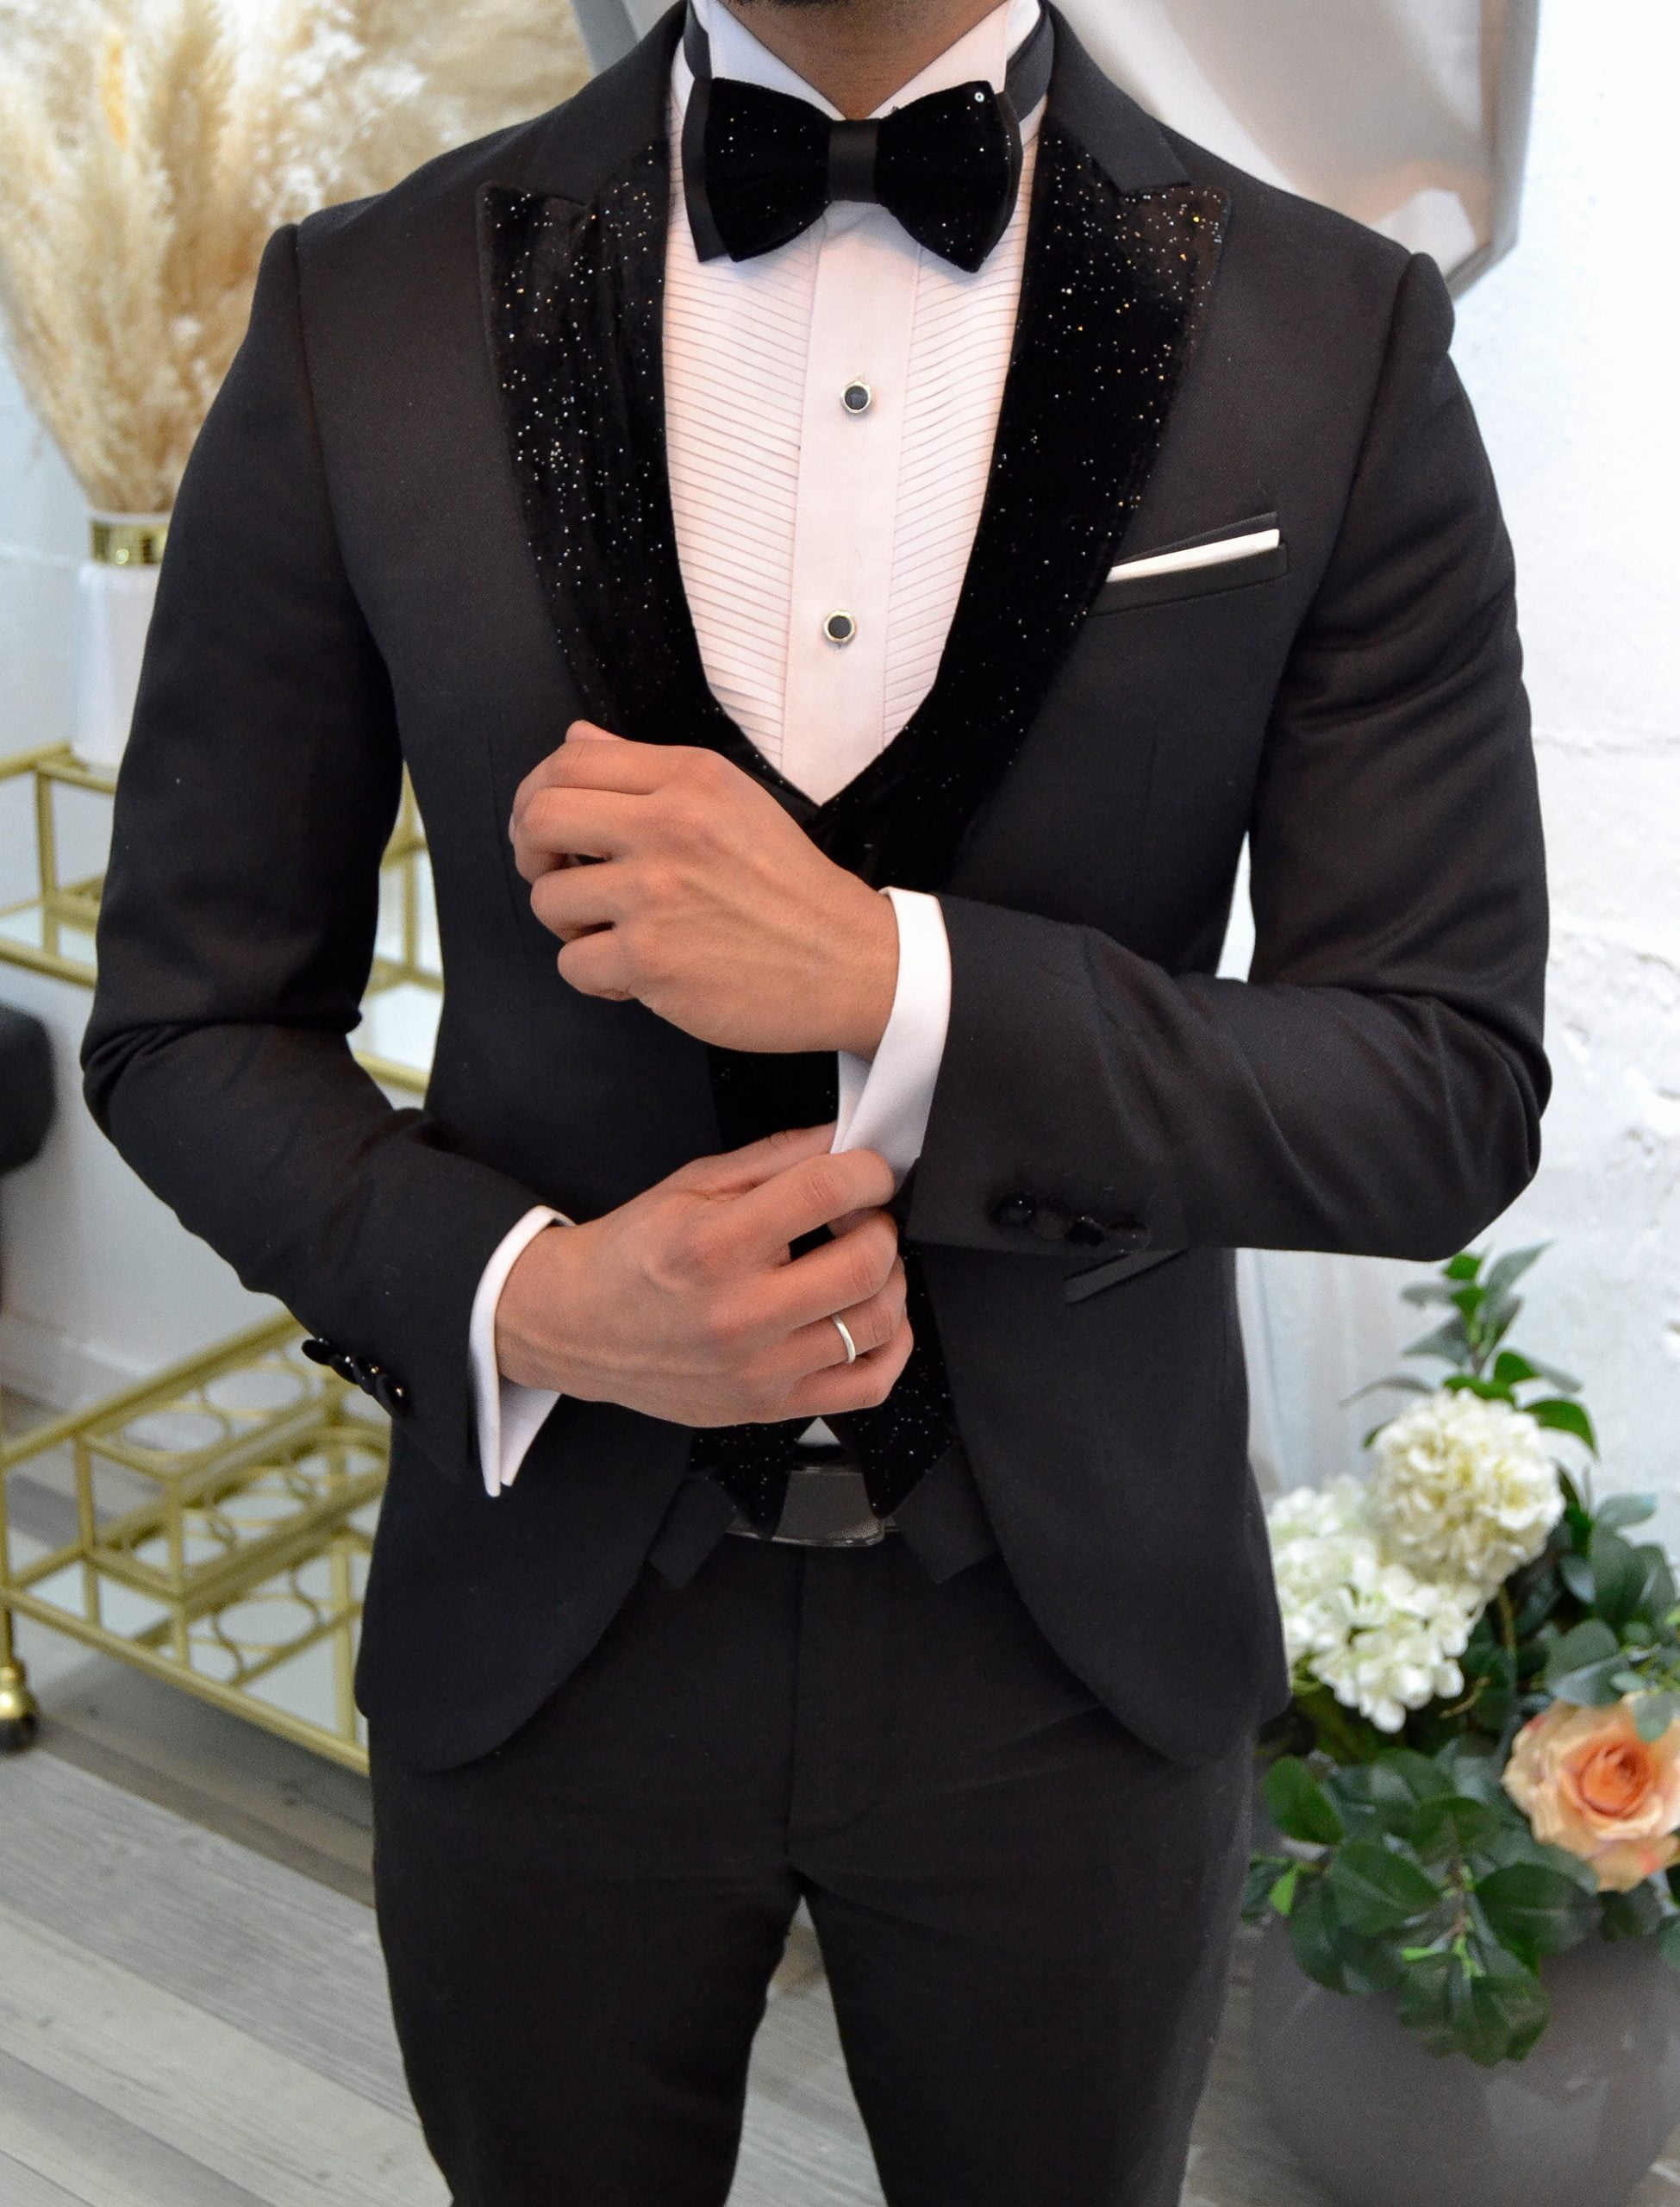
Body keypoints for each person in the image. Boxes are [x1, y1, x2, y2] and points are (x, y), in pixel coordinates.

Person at [83, 0, 1549, 2197]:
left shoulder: (1331, 337)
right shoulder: (357, 310)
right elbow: (183, 1020)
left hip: (1075, 1650)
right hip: (547, 1629)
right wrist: (530, 1297)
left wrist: (892, 975)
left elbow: (1441, 1081)